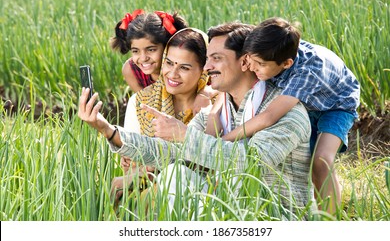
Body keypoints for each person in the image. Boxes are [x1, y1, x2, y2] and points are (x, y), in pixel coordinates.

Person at [78, 22, 313, 219]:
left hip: (275, 215)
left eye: (216, 59)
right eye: (208, 58)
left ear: (245, 62)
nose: (208, 67)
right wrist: (106, 128)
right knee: (174, 174)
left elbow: (251, 163)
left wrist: (184, 135)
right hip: (232, 208)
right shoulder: (219, 109)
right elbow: (170, 152)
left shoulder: (286, 112)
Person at [211, 17, 360, 214]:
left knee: (321, 159)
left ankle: (331, 220)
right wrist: (214, 111)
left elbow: (269, 116)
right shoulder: (268, 45)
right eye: (249, 59)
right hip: (308, 98)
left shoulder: (306, 72)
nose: (252, 68)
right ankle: (313, 205)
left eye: (260, 64)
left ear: (287, 63)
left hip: (335, 105)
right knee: (303, 161)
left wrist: (224, 140)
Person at [109, 27, 210, 209]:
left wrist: (150, 168)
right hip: (145, 190)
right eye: (169, 63)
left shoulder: (215, 104)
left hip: (201, 195)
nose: (173, 74)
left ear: (204, 69)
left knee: (175, 175)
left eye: (184, 67)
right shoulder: (142, 102)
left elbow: (215, 160)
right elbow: (130, 164)